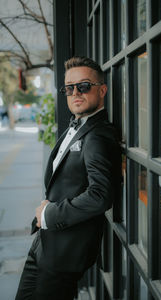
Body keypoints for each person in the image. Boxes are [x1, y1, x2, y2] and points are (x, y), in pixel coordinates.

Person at [15, 56, 121, 300]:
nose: (76, 93)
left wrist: (49, 214)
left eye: (84, 86)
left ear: (102, 90)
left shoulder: (97, 136)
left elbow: (100, 195)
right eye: (69, 88)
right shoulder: (80, 126)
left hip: (64, 252)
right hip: (47, 242)